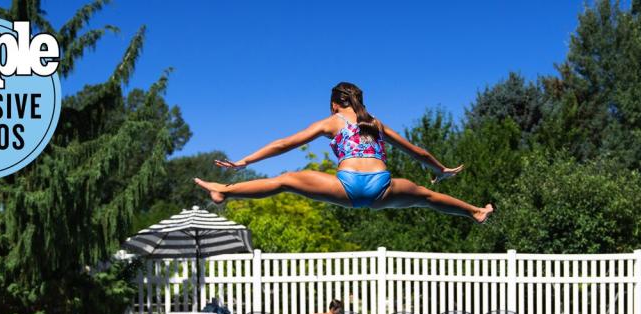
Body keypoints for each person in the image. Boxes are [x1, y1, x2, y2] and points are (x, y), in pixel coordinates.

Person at [194, 82, 494, 223]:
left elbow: (285, 144)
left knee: (285, 180)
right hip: (382, 187)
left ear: (335, 104)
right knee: (427, 198)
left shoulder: (332, 121)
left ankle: (226, 191)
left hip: (346, 185)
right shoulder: (376, 123)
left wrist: (245, 161)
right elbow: (418, 151)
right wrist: (440, 169)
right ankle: (475, 211)